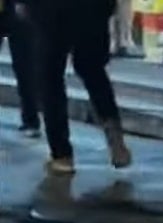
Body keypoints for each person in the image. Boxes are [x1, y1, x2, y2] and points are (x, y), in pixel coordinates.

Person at [29, 0, 132, 175]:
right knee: (92, 69)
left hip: (50, 9)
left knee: (50, 76)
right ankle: (115, 137)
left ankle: (61, 155)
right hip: (92, 8)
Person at [0, 0, 41, 138]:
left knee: (25, 66)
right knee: (26, 66)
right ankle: (31, 120)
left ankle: (31, 119)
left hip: (21, 8)